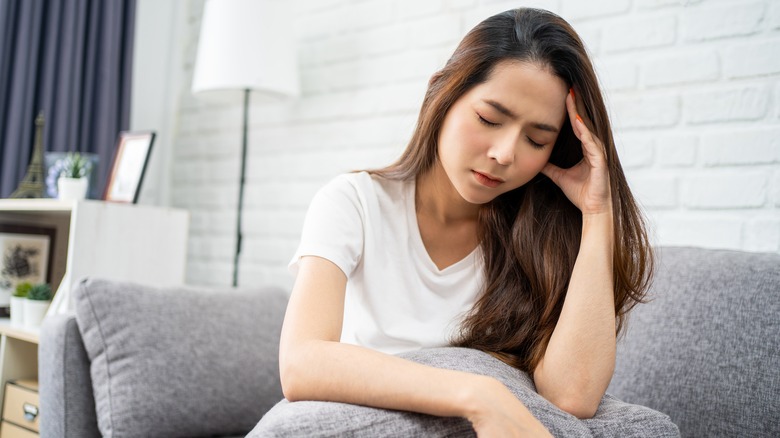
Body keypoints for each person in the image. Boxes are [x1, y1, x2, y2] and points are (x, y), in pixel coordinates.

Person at [278, 7, 653, 436]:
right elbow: (301, 361)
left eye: (537, 139)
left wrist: (597, 213)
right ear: (442, 95)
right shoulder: (355, 203)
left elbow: (572, 397)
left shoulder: (539, 234)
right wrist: (479, 396)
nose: (505, 153)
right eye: (489, 119)